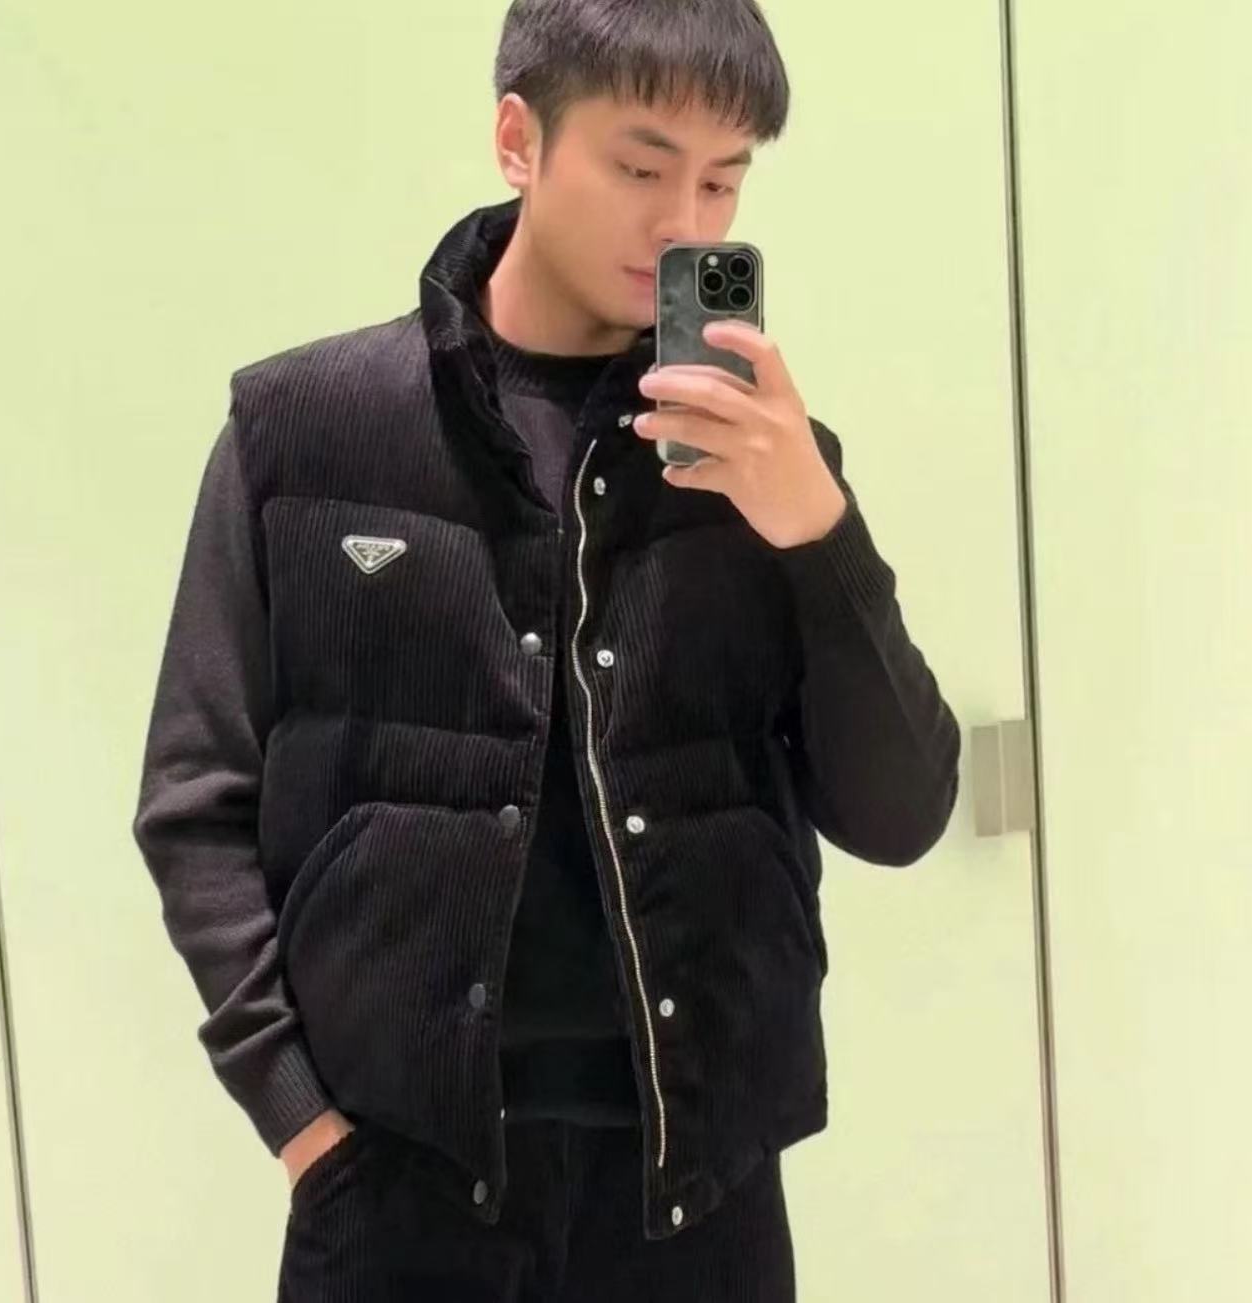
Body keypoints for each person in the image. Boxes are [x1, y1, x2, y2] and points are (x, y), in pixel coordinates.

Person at [131, 1, 961, 1298]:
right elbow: (195, 800)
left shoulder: (763, 467)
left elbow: (902, 812)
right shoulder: (307, 431)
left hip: (696, 1202)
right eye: (641, 167)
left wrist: (818, 530)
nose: (684, 222)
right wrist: (300, 1121)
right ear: (519, 139)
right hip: (394, 1188)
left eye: (722, 180)